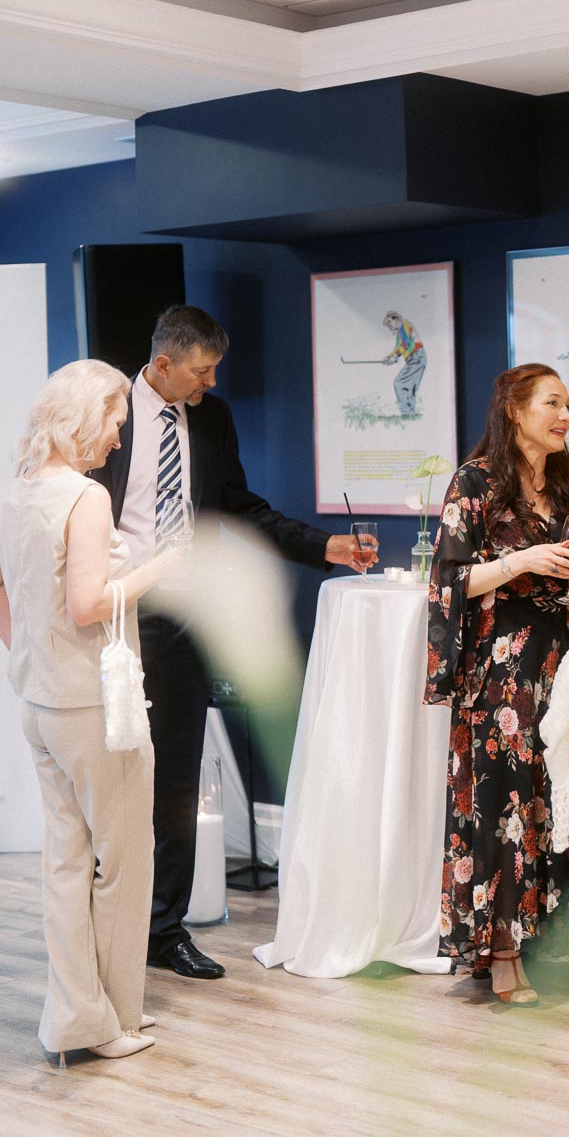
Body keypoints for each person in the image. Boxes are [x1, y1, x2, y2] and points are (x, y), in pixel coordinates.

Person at [91, 305, 370, 981]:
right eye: (201, 370)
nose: (211, 382)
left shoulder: (211, 420)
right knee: (105, 779)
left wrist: (320, 543)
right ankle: (100, 929)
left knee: (177, 779)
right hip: (110, 616)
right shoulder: (104, 414)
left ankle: (164, 930)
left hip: (185, 619)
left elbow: (240, 508)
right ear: (162, 365)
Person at [425, 362, 569, 1005]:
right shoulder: (475, 482)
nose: (566, 416)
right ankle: (503, 953)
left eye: (568, 406)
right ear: (515, 411)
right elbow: (449, 582)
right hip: (504, 671)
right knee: (508, 802)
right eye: (553, 404)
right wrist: (522, 561)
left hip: (568, 661)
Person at [0, 360, 177, 1063]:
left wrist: (34, 659)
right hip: (98, 710)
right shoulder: (84, 497)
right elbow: (87, 604)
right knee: (126, 862)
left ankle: (77, 1018)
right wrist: (159, 570)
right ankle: (114, 1022)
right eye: (114, 421)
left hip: (40, 702)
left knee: (67, 863)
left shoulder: (17, 492)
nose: (115, 438)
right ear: (84, 414)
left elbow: (9, 601)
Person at [382, 311, 426, 417]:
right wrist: (390, 357)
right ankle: (410, 414)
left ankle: (406, 412)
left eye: (389, 322)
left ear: (396, 319)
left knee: (399, 383)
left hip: (417, 357)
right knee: (410, 387)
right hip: (415, 359)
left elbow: (409, 344)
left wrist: (396, 357)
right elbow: (399, 346)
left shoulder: (404, 324)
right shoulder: (399, 332)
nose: (388, 325)